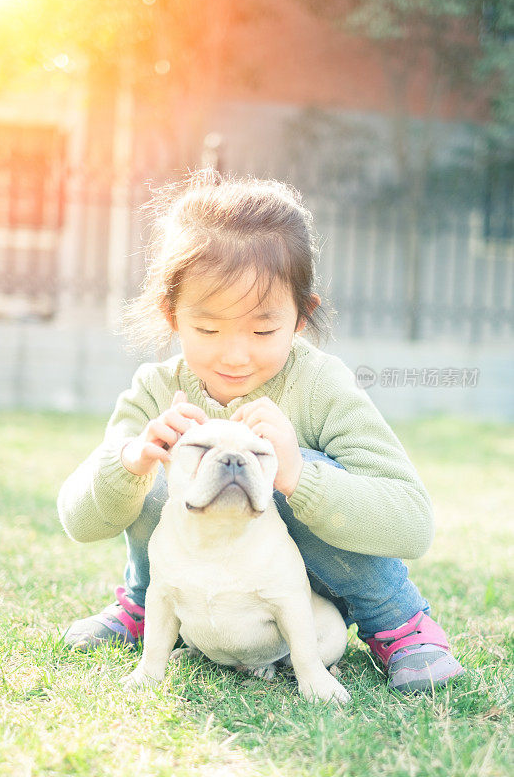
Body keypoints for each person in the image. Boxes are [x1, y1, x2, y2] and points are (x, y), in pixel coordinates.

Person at [58, 169, 465, 694]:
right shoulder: (157, 387)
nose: (235, 354)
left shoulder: (322, 386)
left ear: (300, 318)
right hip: (195, 574)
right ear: (172, 316)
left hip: (306, 587)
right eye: (207, 329)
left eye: (263, 329)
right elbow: (79, 520)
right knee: (167, 466)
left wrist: (297, 475)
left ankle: (398, 621)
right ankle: (145, 604)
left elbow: (413, 523)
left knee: (281, 470)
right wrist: (133, 460)